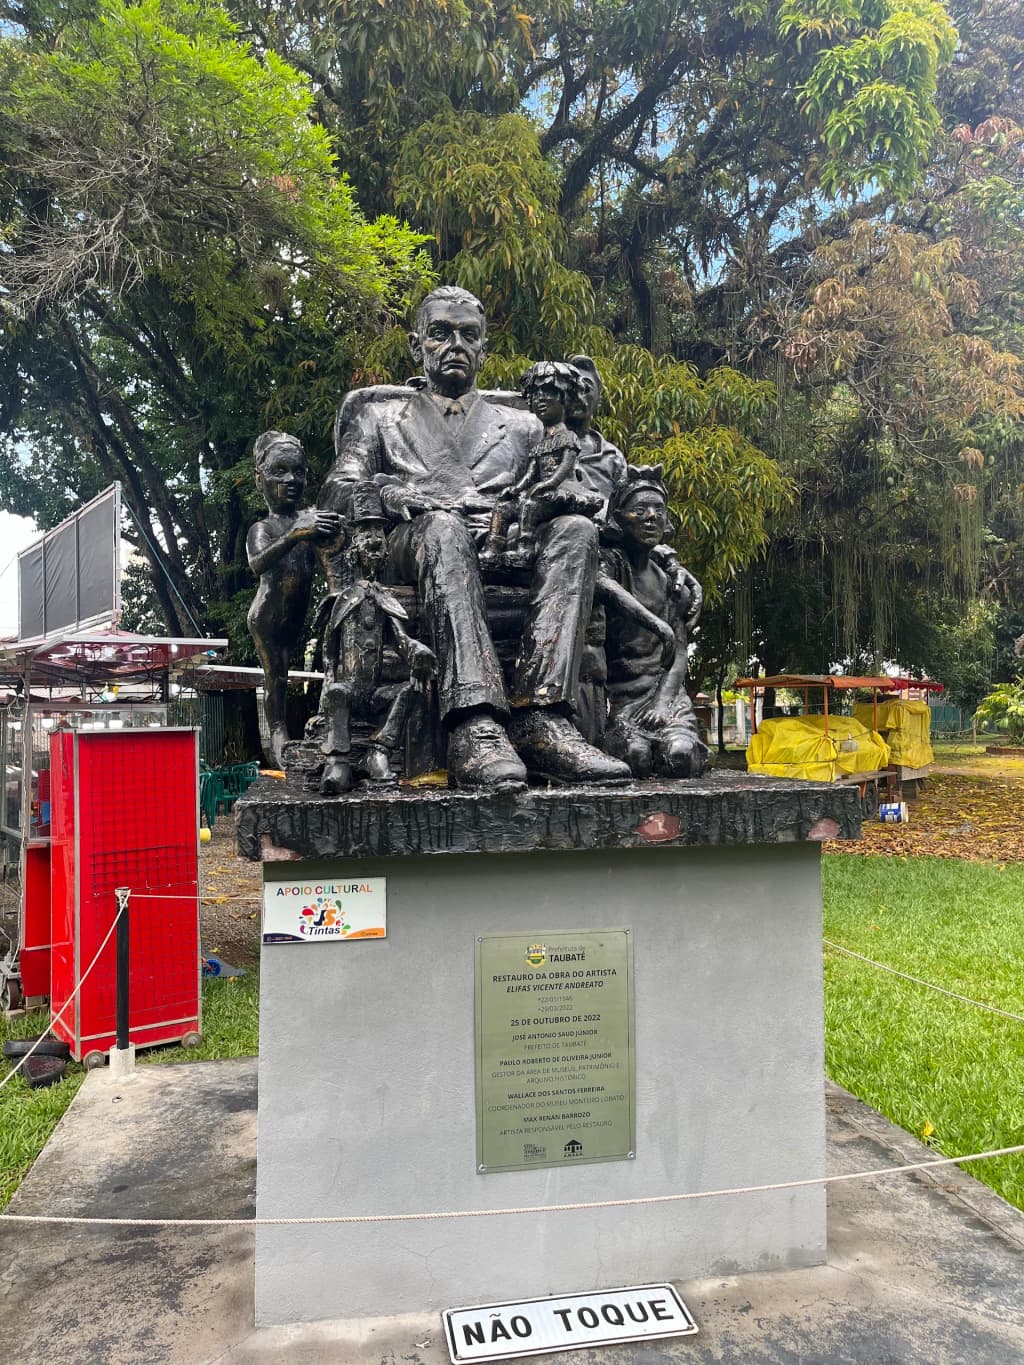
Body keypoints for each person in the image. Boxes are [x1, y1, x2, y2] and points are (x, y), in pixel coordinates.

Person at [320, 286, 630, 789]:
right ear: (416, 344)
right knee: (443, 529)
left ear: (484, 350)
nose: (455, 346)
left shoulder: (527, 425)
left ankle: (540, 718)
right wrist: (390, 490)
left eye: (468, 336)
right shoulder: (378, 418)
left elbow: (567, 486)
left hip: (505, 541)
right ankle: (474, 723)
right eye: (441, 334)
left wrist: (547, 506)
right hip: (416, 538)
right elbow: (340, 486)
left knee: (574, 531)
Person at [316, 483, 435, 794]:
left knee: (410, 690)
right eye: (366, 534)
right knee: (338, 693)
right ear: (354, 544)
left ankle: (379, 752)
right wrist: (327, 686)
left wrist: (416, 650)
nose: (373, 541)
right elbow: (328, 651)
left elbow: (400, 638)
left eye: (378, 535)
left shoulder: (386, 598)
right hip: (349, 690)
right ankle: (338, 762)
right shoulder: (340, 600)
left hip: (375, 692)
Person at [598, 466, 710, 779]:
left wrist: (662, 704)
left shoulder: (672, 583)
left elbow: (679, 654)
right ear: (619, 517)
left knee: (680, 756)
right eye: (639, 509)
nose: (651, 517)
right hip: (619, 698)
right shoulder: (611, 567)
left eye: (658, 510)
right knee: (635, 756)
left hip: (665, 695)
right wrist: (657, 627)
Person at [246, 431, 341, 766]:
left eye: (298, 472)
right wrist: (296, 532)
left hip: (297, 615)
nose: (290, 480)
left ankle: (321, 726)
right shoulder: (263, 528)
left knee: (314, 663)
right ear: (261, 479)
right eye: (279, 472)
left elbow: (328, 555)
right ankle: (277, 732)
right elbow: (258, 563)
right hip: (268, 618)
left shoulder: (308, 519)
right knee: (277, 676)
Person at [481, 361, 602, 563]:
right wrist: (516, 489)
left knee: (530, 504)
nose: (540, 399)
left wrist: (548, 484)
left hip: (563, 490)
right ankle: (493, 547)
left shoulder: (567, 437)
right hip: (541, 490)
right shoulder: (542, 441)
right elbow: (531, 472)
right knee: (504, 505)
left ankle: (525, 549)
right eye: (535, 394)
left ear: (566, 399)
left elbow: (565, 466)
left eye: (549, 393)